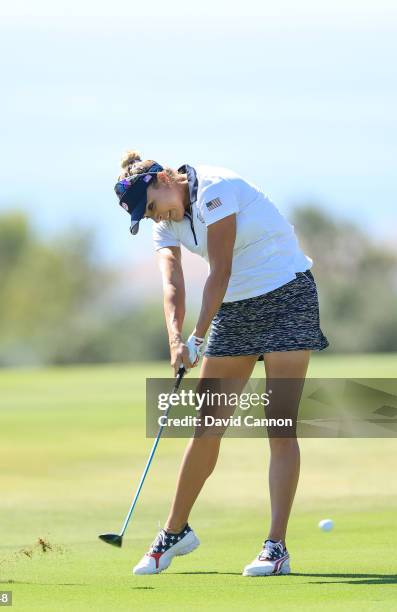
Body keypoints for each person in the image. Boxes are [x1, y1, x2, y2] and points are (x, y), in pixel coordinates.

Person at [114, 150, 329, 576]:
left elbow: (221, 267)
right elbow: (172, 281)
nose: (156, 218)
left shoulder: (217, 188)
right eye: (148, 215)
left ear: (162, 180)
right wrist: (176, 340)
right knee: (206, 425)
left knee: (279, 424)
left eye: (153, 206)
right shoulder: (166, 224)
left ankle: (276, 547)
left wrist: (198, 337)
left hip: (286, 295)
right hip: (235, 309)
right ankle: (175, 532)